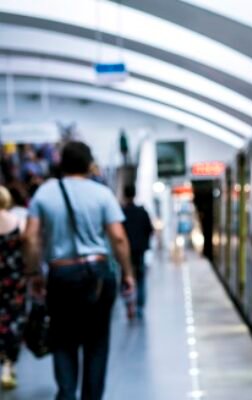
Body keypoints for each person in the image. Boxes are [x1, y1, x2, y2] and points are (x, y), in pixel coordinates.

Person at [24, 141, 135, 400]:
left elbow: (30, 238)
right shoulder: (102, 194)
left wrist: (34, 274)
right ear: (89, 164)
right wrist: (128, 273)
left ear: (61, 164)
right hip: (97, 274)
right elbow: (118, 238)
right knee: (96, 343)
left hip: (60, 275)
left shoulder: (45, 193)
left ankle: (66, 393)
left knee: (63, 340)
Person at [0, 187, 27, 390]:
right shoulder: (18, 221)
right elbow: (28, 246)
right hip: (14, 278)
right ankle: (8, 367)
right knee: (13, 319)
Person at [121, 185, 154, 318]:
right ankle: (139, 307)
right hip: (139, 251)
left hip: (125, 252)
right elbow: (150, 230)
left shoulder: (120, 212)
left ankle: (129, 304)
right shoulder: (142, 212)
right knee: (140, 279)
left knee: (126, 278)